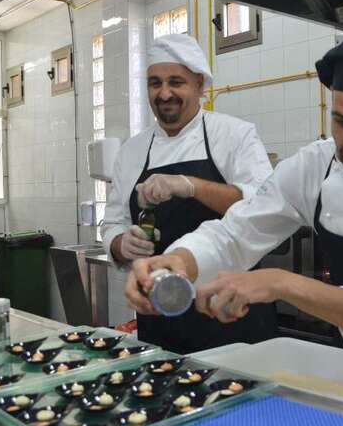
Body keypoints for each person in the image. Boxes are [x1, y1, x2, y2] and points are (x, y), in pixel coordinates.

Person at [126, 30, 343, 390]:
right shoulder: (315, 165)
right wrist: (180, 260)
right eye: (341, 122)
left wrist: (279, 283)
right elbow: (236, 233)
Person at [101, 33, 278, 354]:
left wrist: (192, 185)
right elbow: (112, 223)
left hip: (229, 310)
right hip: (158, 315)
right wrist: (121, 244)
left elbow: (263, 206)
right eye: (155, 83)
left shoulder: (235, 134)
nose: (164, 93)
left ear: (199, 84)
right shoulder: (131, 151)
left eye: (176, 82)